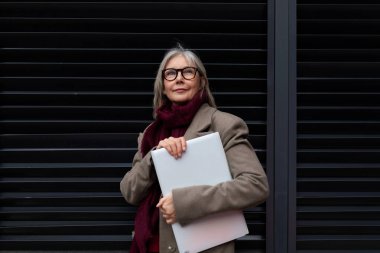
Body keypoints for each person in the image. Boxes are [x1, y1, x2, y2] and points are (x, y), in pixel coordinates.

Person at [120, 45, 269, 253]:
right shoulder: (150, 134)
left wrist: (184, 204)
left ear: (201, 82)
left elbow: (255, 185)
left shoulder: (224, 125)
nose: (178, 78)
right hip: (148, 246)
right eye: (170, 73)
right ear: (163, 85)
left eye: (188, 72)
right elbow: (129, 192)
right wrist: (156, 157)